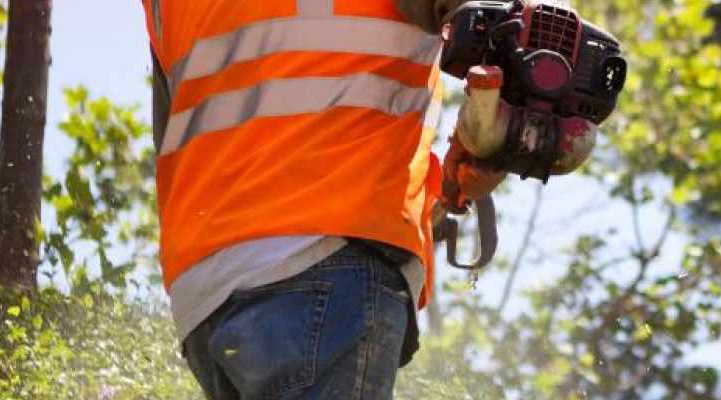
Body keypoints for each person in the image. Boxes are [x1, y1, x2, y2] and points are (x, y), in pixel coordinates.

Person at [139, 0, 511, 398]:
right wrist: (493, 141)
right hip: (327, 251)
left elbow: (175, 132)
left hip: (205, 289)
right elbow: (505, 33)